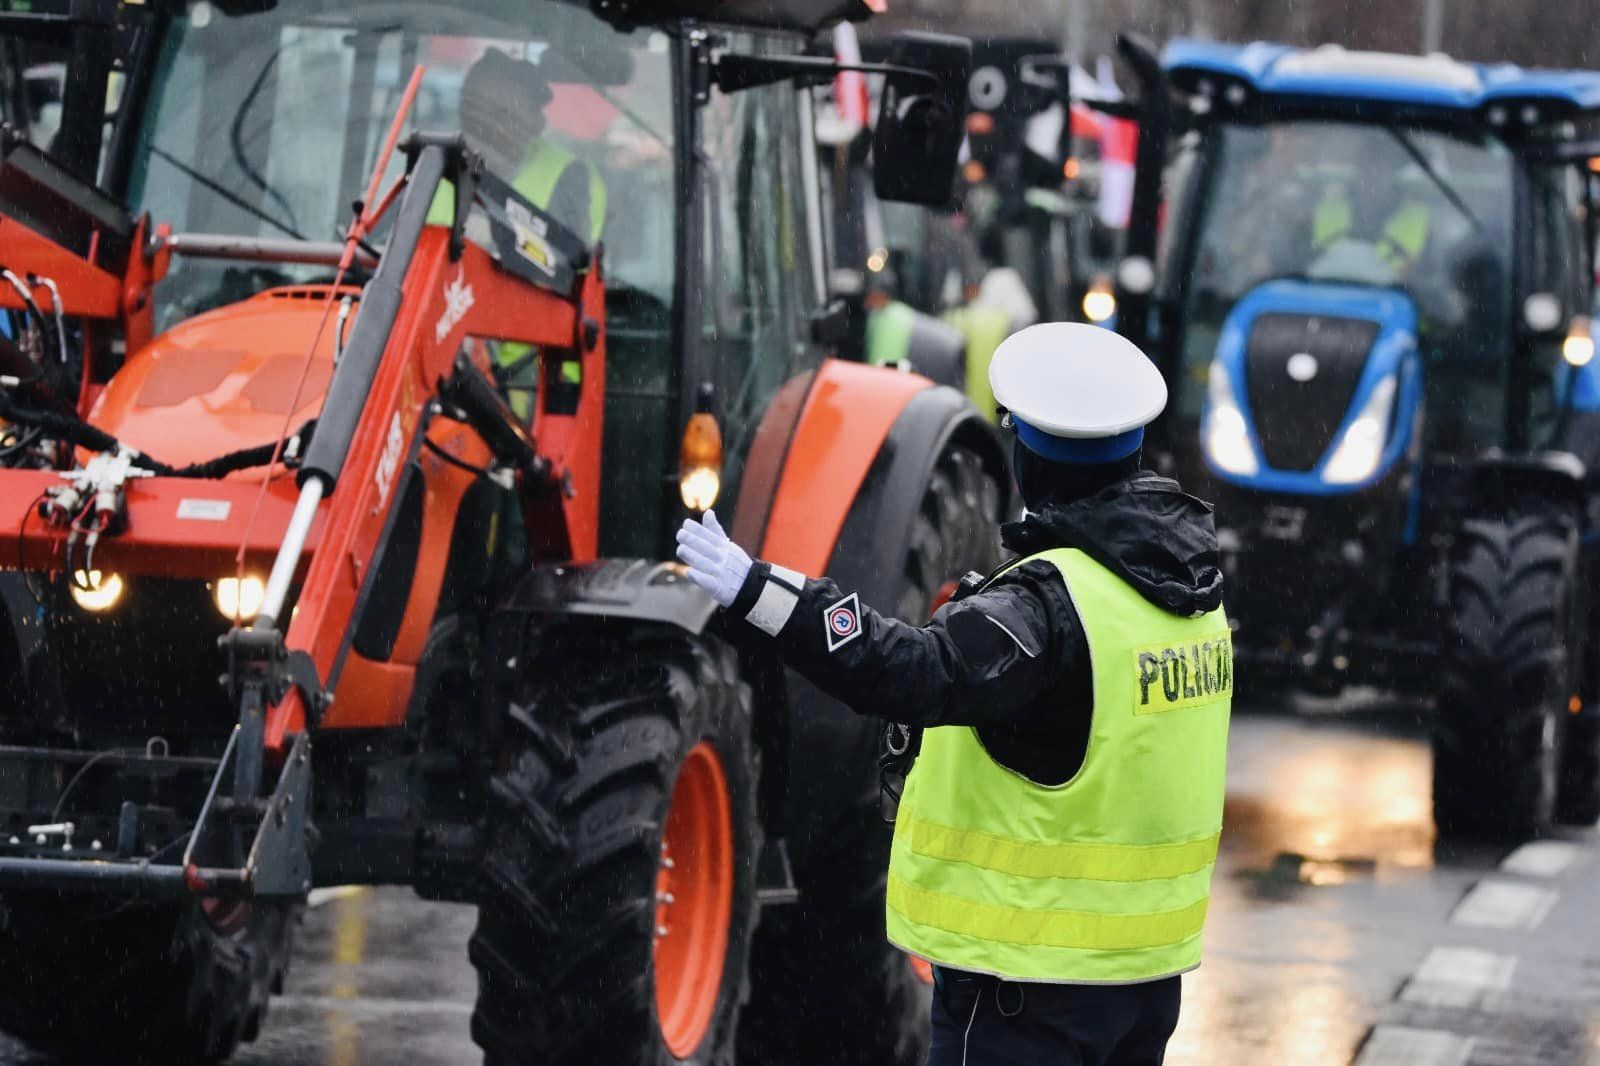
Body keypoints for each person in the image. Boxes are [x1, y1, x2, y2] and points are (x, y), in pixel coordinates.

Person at [677, 322, 1232, 1066]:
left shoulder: (1047, 609)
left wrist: (760, 591)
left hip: (1031, 990)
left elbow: (908, 668)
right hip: (1140, 984)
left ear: (1028, 455)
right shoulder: (1187, 589)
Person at [427, 48, 606, 243]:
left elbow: (569, 261)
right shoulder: (432, 159)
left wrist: (500, 238)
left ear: (537, 125)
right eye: (474, 110)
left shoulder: (570, 176)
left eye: (500, 116)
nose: (483, 126)